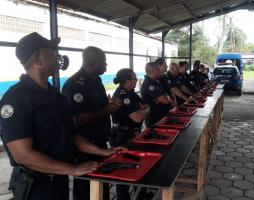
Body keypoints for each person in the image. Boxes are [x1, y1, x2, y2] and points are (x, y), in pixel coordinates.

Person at [0, 32, 124, 200]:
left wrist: (102, 151)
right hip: (36, 186)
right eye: (51, 52)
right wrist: (72, 169)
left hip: (59, 179)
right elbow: (23, 155)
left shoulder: (55, 96)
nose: (57, 56)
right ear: (37, 59)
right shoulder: (16, 99)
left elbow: (71, 134)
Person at [62, 46, 121, 200]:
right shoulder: (75, 84)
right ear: (92, 62)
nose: (106, 66)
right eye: (104, 62)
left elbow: (98, 108)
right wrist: (107, 110)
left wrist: (109, 105)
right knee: (86, 191)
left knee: (102, 188)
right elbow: (77, 119)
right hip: (85, 149)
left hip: (100, 145)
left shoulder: (96, 81)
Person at [110, 68, 150, 200]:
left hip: (133, 134)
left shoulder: (131, 94)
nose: (136, 81)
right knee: (124, 172)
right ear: (127, 80)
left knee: (138, 166)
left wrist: (142, 112)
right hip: (123, 136)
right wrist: (143, 113)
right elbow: (138, 118)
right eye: (134, 79)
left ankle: (141, 195)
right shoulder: (123, 96)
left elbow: (147, 107)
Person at [141, 62, 174, 127]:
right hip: (155, 119)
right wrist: (168, 100)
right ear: (152, 71)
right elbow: (165, 100)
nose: (160, 71)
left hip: (162, 115)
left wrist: (168, 99)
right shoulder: (149, 84)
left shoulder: (156, 82)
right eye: (158, 69)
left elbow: (165, 94)